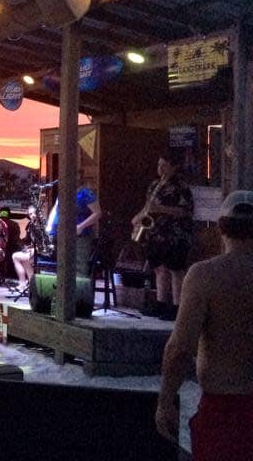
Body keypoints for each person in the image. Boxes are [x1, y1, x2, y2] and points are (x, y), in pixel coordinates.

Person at [156, 190, 253, 460]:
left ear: (221, 227)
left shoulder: (206, 276)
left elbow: (179, 348)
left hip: (224, 408)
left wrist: (165, 401)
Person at [134, 153, 194, 320]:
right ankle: (161, 303)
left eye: (164, 166)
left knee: (175, 269)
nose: (160, 169)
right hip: (156, 233)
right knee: (159, 268)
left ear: (173, 167)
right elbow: (148, 207)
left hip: (175, 234)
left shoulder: (181, 186)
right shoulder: (155, 184)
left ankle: (177, 307)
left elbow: (186, 211)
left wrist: (161, 209)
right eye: (159, 165)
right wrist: (138, 217)